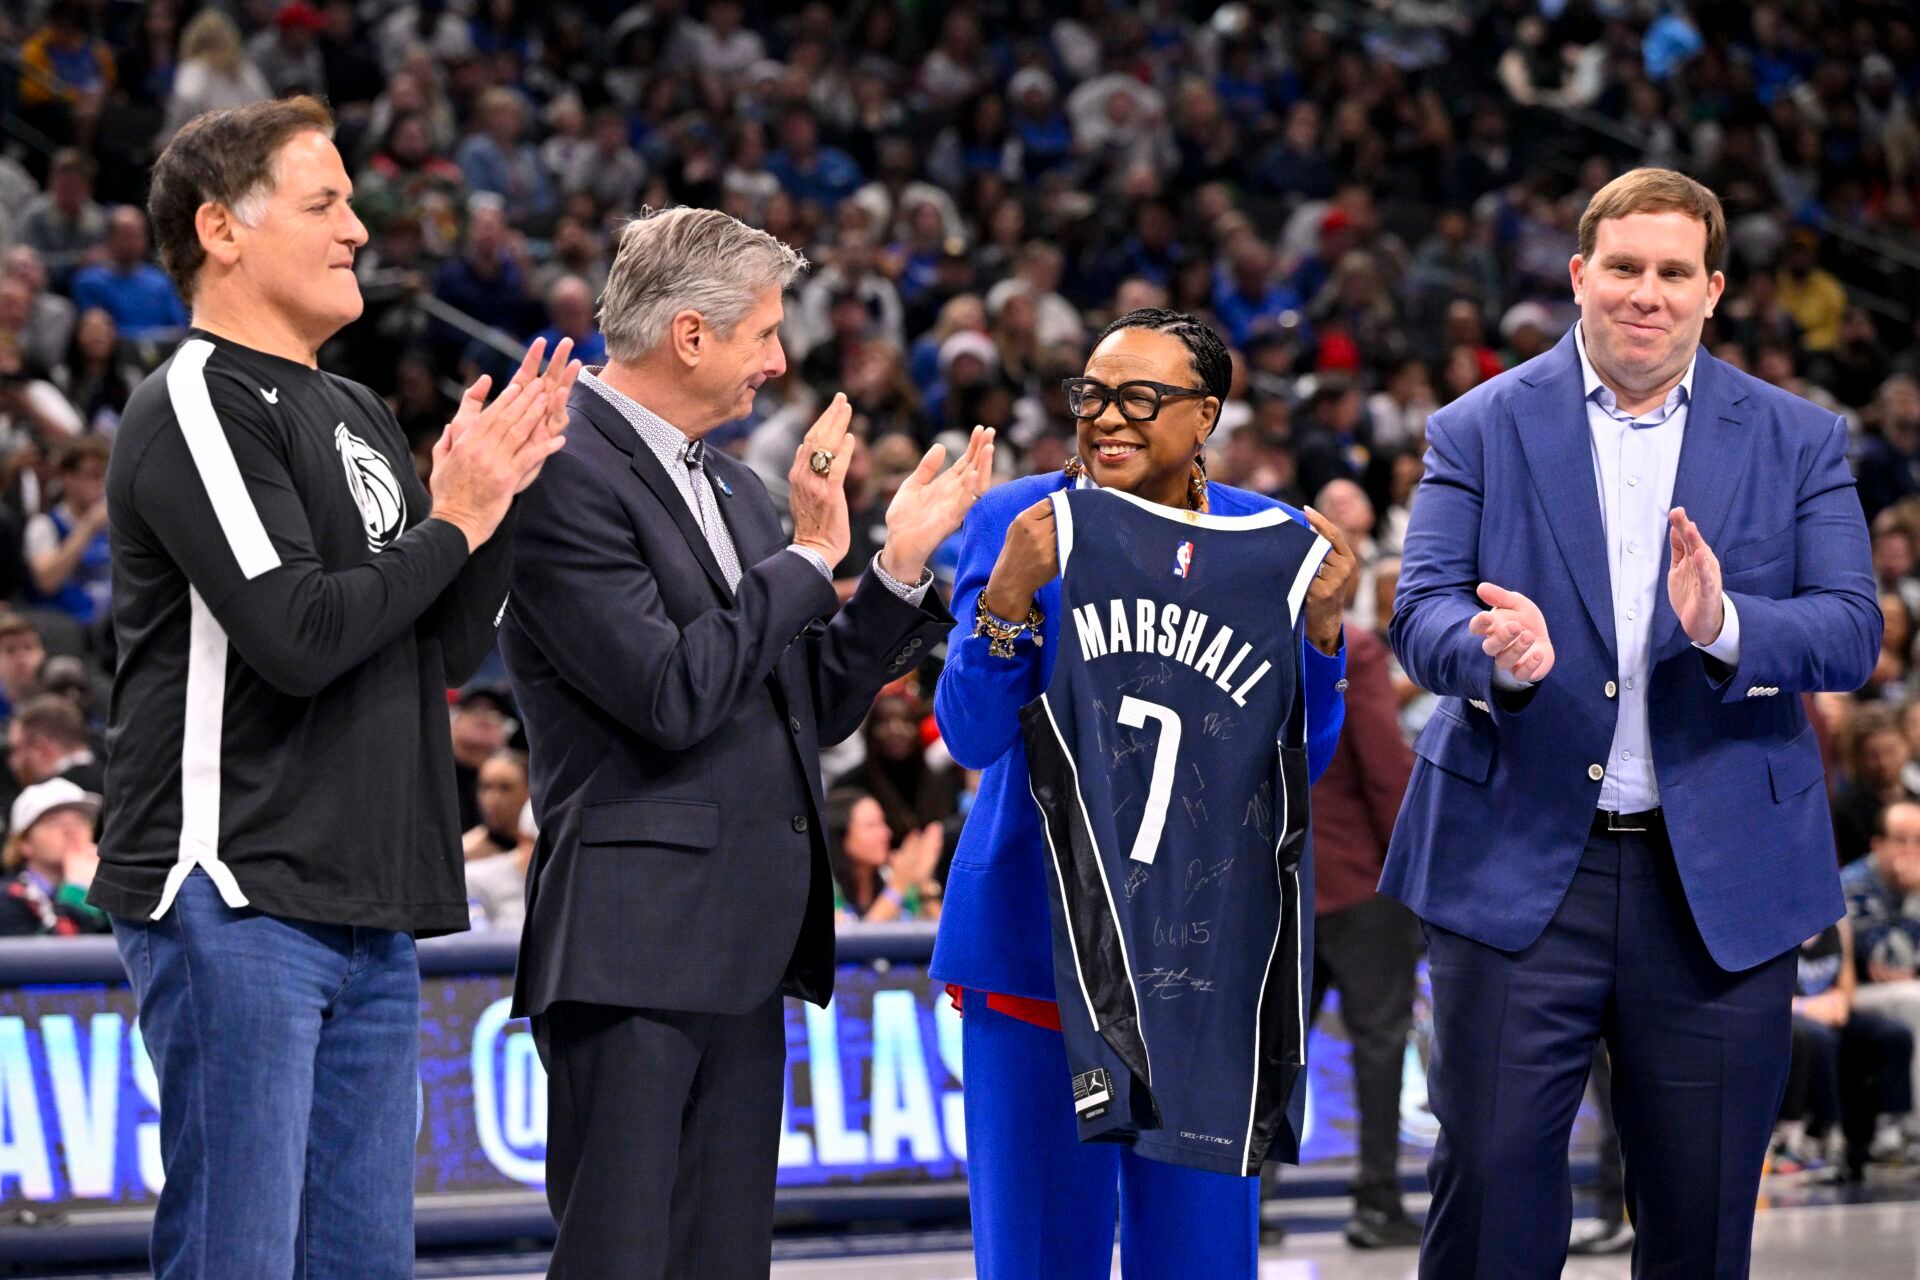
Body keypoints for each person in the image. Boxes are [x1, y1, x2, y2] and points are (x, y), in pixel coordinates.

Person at [89, 96, 576, 1280]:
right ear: (222, 229)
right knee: (239, 1258)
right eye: (326, 203)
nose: (361, 227)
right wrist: (451, 517)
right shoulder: (197, 397)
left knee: (365, 1264)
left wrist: (491, 500)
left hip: (369, 901)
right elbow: (300, 632)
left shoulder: (354, 408)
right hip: (235, 887)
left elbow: (437, 644)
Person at [1385, 168, 1880, 1276]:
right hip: (1514, 870)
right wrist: (1489, 655)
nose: (1644, 293)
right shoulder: (1478, 426)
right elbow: (1420, 611)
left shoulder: (1799, 438)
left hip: (1720, 886)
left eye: (1671, 272)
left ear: (1712, 289)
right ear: (1578, 277)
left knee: (1701, 1226)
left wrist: (1727, 625)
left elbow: (1852, 631)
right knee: (1490, 1210)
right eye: (1622, 268)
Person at [499, 206, 991, 1280]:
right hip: (632, 944)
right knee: (620, 1259)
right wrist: (812, 556)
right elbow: (671, 693)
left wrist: (895, 567)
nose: (777, 361)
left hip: (746, 939)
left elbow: (795, 694)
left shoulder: (731, 484)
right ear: (690, 335)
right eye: (763, 333)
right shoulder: (560, 467)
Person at [930, 308, 1355, 1280]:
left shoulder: (1274, 539)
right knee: (1038, 1259)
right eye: (1091, 395)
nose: (1106, 417)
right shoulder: (1021, 521)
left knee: (1204, 1262)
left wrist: (1324, 637)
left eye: (1139, 398)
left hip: (1205, 967)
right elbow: (971, 731)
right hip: (1037, 947)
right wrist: (1004, 601)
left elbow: (1293, 767)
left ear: (1205, 413)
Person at [1304, 622, 1422, 1248]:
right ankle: (1376, 1201)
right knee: (1379, 1046)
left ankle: (1249, 1205)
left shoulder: (1244, 632)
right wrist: (1413, 869)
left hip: (1280, 887)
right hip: (1359, 879)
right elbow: (1382, 764)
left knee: (1273, 1056)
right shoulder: (1352, 647)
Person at [1843, 797, 1920, 1156]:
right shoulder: (1856, 885)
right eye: (1901, 840)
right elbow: (1891, 960)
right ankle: (1913, 1130)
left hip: (1899, 988)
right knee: (1913, 998)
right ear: (1879, 844)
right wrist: (1914, 898)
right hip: (1852, 993)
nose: (1911, 851)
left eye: (1919, 841)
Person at [23, 436, 112, 627]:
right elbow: (47, 581)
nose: (102, 484)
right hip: (67, 629)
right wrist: (88, 526)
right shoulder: (44, 525)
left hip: (113, 627)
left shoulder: (115, 524)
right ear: (67, 478)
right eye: (93, 475)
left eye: (105, 475)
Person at [0, 777, 106, 937]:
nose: (72, 831)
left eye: (80, 821)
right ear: (24, 843)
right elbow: (53, 959)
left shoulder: (108, 890)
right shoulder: (7, 900)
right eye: (54, 823)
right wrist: (77, 891)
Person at [826, 786, 944, 922]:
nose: (886, 833)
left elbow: (945, 938)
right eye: (871, 826)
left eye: (883, 823)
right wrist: (898, 885)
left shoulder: (889, 877)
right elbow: (859, 941)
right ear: (841, 836)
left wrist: (923, 881)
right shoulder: (823, 887)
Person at [8, 692, 102, 792]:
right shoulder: (114, 779)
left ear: (41, 748)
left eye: (17, 750)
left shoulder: (43, 798)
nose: (13, 762)